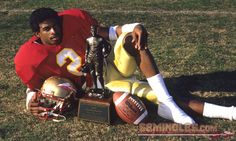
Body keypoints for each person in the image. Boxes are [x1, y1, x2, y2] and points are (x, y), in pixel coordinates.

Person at [14, 7, 236, 125]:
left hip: (112, 62)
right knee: (155, 95)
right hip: (106, 83)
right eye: (47, 29)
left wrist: (134, 26)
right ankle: (229, 113)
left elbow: (108, 32)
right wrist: (29, 103)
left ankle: (167, 103)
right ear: (37, 33)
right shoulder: (29, 57)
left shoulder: (74, 20)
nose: (54, 32)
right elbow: (33, 87)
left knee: (131, 39)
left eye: (56, 26)